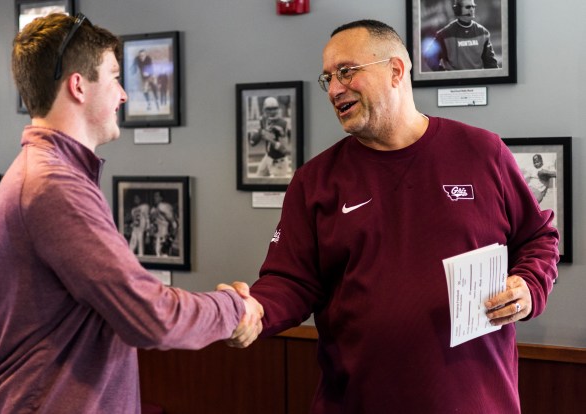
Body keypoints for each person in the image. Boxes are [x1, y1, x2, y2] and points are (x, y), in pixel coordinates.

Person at [223, 19, 558, 413]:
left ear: (396, 70)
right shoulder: (315, 181)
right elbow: (290, 280)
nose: (333, 89)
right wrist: (254, 310)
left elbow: (538, 237)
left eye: (346, 71)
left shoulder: (482, 152)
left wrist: (528, 287)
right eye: (327, 77)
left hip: (477, 402)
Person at [0, 13, 263, 414]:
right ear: (78, 86)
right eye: (114, 77)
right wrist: (234, 308)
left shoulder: (49, 175)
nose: (123, 94)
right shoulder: (53, 185)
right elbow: (151, 316)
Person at [424, 0, 499, 71]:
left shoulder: (483, 33)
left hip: (476, 82)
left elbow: (491, 64)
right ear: (458, 10)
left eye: (473, 7)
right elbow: (429, 57)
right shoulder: (444, 34)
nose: (472, 10)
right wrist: (442, 74)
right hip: (453, 83)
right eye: (468, 7)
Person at [248, 96, 291, 177]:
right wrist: (259, 133)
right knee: (258, 182)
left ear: (278, 109)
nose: (272, 111)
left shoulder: (282, 124)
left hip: (279, 162)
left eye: (274, 108)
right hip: (268, 158)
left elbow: (284, 150)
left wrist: (269, 139)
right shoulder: (263, 120)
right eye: (269, 109)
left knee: (276, 188)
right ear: (264, 110)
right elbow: (253, 143)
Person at [149, 190, 177, 257]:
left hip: (164, 237)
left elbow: (174, 223)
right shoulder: (153, 209)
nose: (154, 198)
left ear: (161, 198)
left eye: (156, 196)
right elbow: (152, 224)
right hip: (155, 237)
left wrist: (171, 238)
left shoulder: (164, 206)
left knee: (164, 257)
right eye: (154, 196)